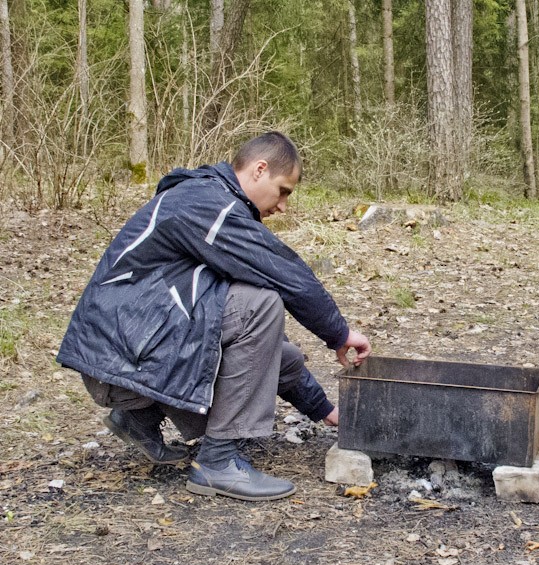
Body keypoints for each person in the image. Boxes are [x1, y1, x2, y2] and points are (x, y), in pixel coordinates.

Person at [57, 132, 371, 501]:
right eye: (284, 190)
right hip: (122, 360)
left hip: (129, 358)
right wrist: (339, 333)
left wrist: (325, 410)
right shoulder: (209, 205)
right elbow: (284, 272)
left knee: (267, 334)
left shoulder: (209, 202)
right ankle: (218, 462)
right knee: (264, 304)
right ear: (259, 169)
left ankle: (138, 418)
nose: (283, 205)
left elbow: (264, 347)